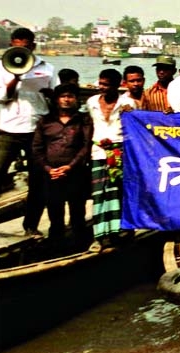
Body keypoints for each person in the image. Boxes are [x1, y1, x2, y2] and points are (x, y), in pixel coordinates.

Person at [0, 28, 57, 238]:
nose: (22, 50)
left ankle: (31, 226)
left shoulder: (47, 68)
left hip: (37, 130)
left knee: (38, 181)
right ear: (12, 46)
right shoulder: (0, 67)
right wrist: (16, 77)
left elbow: (55, 99)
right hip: (9, 130)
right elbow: (1, 98)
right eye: (17, 47)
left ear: (33, 46)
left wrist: (50, 94)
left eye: (27, 46)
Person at [31, 84, 92, 241]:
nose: (66, 99)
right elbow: (37, 149)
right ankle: (56, 242)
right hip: (52, 174)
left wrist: (70, 166)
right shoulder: (45, 121)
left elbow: (86, 146)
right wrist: (48, 169)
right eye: (63, 96)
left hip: (76, 172)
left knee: (77, 210)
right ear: (57, 100)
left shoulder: (83, 119)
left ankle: (79, 242)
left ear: (76, 99)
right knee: (54, 210)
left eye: (70, 96)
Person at [86, 69, 136, 247]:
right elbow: (91, 126)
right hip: (98, 152)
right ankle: (99, 235)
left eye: (106, 85)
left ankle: (120, 231)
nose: (102, 88)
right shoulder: (91, 102)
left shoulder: (127, 103)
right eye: (101, 83)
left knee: (118, 192)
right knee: (99, 194)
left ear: (117, 85)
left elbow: (133, 130)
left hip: (120, 153)